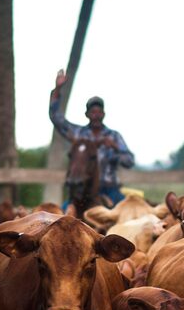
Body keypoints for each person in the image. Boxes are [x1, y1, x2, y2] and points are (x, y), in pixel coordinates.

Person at [49, 69, 134, 207]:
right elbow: (56, 118)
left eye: (99, 112)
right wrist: (57, 89)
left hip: (109, 189)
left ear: (104, 114)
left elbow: (129, 161)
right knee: (63, 216)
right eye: (93, 112)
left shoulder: (114, 136)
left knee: (125, 217)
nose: (96, 115)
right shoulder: (78, 133)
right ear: (87, 114)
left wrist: (115, 147)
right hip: (82, 191)